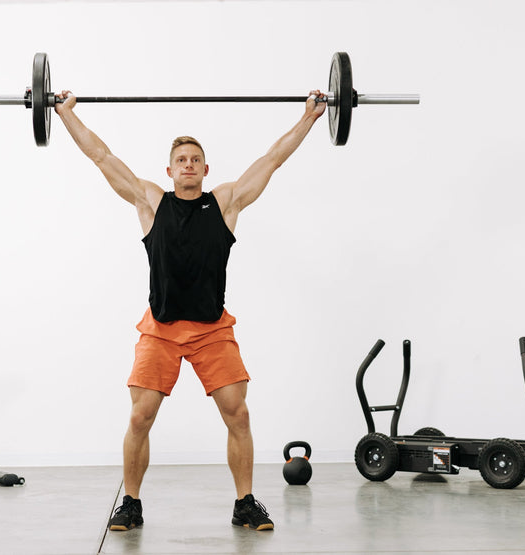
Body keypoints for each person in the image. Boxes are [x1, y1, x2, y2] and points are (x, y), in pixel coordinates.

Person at [54, 89, 326, 531]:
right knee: (140, 415)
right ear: (169, 169)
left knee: (237, 412)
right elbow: (101, 156)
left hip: (211, 328)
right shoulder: (150, 202)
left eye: (195, 159)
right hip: (159, 328)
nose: (188, 164)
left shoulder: (225, 203)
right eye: (181, 159)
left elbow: (273, 158)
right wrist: (65, 114)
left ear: (205, 169)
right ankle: (131, 504)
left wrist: (309, 117)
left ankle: (245, 503)